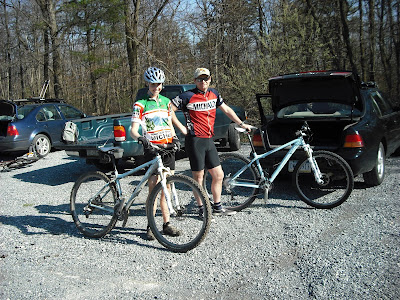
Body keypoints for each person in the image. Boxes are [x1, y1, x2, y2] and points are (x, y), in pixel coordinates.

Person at [171, 67, 252, 216]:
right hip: (195, 140)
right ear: (195, 81)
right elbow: (168, 110)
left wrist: (241, 124)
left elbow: (226, 110)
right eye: (200, 79)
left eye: (206, 78)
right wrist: (182, 128)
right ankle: (202, 209)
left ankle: (217, 206)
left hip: (209, 140)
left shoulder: (214, 94)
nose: (203, 82)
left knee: (218, 175)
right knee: (199, 177)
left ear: (210, 79)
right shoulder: (187, 96)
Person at [130, 67, 181, 240]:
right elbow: (133, 130)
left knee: (167, 186)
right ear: (147, 84)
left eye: (158, 84)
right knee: (154, 188)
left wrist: (175, 137)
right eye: (153, 84)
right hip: (152, 148)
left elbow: (169, 123)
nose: (156, 87)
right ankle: (150, 225)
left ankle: (166, 224)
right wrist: (140, 139)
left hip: (167, 148)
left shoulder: (166, 101)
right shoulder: (140, 104)